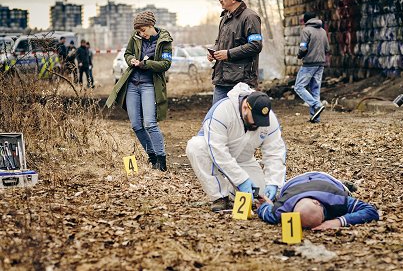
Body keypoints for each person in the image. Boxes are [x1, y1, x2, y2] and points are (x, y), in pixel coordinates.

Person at [186, 82, 286, 212]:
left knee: (260, 196)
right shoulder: (222, 111)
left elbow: (275, 151)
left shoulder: (268, 118)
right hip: (212, 155)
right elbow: (218, 152)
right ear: (245, 107)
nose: (257, 124)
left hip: (244, 160)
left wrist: (274, 182)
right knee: (195, 146)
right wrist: (242, 180)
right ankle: (220, 196)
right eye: (254, 119)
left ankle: (232, 188)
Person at [106, 11, 172, 171]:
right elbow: (127, 53)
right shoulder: (136, 37)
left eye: (143, 30)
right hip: (132, 85)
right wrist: (131, 60)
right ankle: (152, 157)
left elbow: (166, 64)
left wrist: (146, 64)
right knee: (136, 125)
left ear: (151, 26)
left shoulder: (165, 41)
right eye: (138, 31)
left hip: (150, 85)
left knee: (150, 123)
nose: (141, 34)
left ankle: (162, 162)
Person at [256, 171, 379, 229]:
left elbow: (370, 211)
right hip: (293, 183)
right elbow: (266, 210)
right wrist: (266, 204)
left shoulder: (337, 198)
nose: (324, 220)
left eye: (323, 216)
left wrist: (337, 221)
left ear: (317, 202)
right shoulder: (282, 209)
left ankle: (344, 184)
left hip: (327, 180)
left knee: (346, 191)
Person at [208, 0, 263, 105]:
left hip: (242, 81)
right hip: (221, 79)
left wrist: (229, 54)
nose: (220, 0)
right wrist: (214, 51)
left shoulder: (250, 17)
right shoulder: (224, 19)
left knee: (241, 118)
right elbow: (219, 42)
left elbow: (256, 45)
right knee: (217, 117)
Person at [294, 12, 330, 123]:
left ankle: (317, 105)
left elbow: (303, 48)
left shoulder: (306, 30)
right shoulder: (323, 31)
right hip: (320, 64)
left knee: (299, 87)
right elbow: (327, 48)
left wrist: (300, 55)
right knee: (315, 90)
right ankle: (315, 118)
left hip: (309, 64)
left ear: (306, 20)